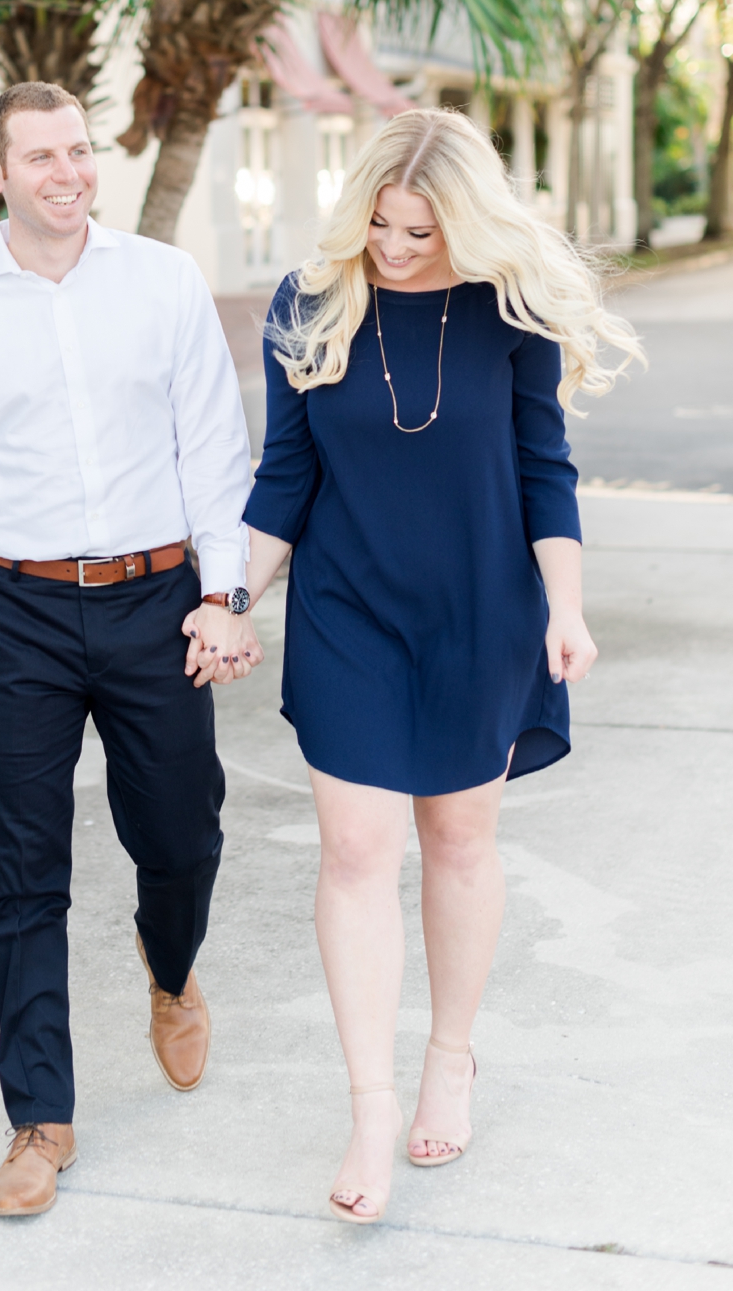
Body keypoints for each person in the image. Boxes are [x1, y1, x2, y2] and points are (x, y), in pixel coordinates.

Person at [238, 109, 642, 1224]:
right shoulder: (309, 303)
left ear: (464, 219)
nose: (394, 246)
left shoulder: (511, 310)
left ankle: (449, 1056)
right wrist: (231, 600)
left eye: (420, 230)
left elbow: (543, 468)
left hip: (480, 609)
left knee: (457, 839)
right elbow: (283, 475)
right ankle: (369, 1106)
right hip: (347, 611)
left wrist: (565, 607)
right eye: (379, 223)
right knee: (354, 849)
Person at [0, 81, 258, 1218]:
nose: (69, 173)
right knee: (19, 870)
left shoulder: (163, 281)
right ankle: (40, 1119)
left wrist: (223, 592)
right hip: (17, 613)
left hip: (157, 604)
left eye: (80, 150)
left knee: (182, 834)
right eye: (41, 156)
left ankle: (169, 965)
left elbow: (213, 446)